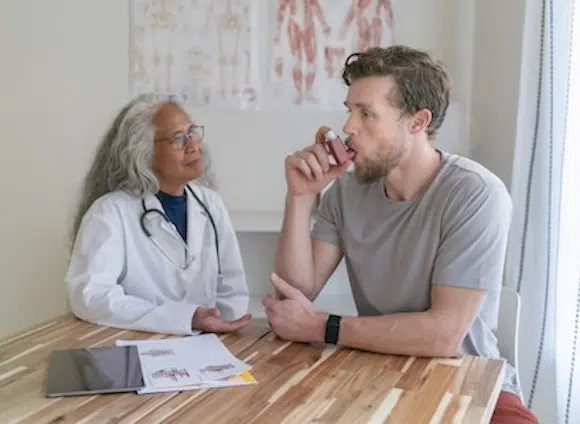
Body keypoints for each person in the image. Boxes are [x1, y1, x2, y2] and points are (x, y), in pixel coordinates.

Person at [263, 46, 538, 423]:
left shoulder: (475, 194)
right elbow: (294, 295)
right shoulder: (346, 192)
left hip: (471, 381)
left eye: (366, 114)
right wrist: (301, 197)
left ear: (417, 121)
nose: (348, 127)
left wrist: (321, 326)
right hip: (380, 374)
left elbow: (443, 335)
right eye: (349, 110)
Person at [66, 93, 251, 336]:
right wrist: (183, 318)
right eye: (178, 138)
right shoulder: (110, 212)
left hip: (206, 348)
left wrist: (222, 324)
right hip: (136, 345)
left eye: (193, 132)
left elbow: (232, 290)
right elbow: (91, 295)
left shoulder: (210, 204)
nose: (194, 145)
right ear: (142, 152)